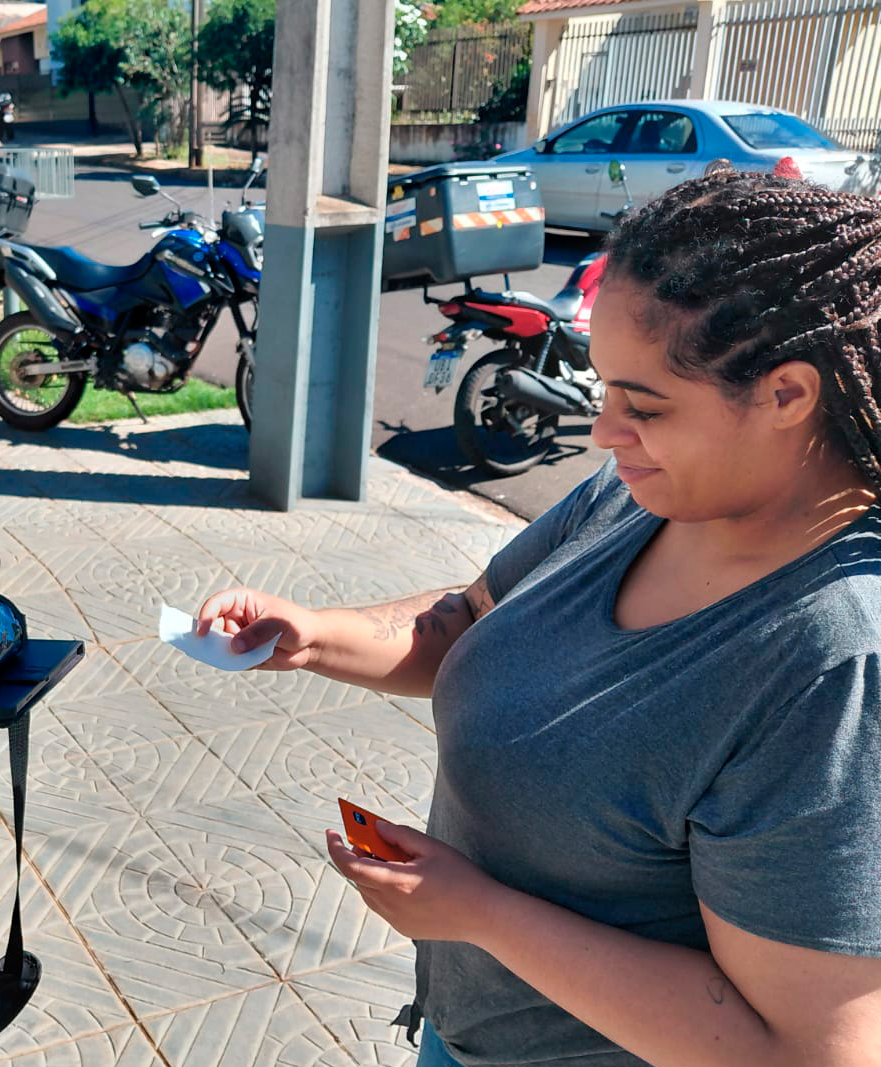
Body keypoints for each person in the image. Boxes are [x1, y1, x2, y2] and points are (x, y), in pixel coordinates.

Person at [198, 170, 881, 1066]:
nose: (604, 431)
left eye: (643, 405)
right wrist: (316, 633)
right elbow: (472, 616)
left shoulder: (834, 664)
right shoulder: (641, 495)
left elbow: (808, 1050)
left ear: (787, 395)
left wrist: (481, 914)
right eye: (606, 391)